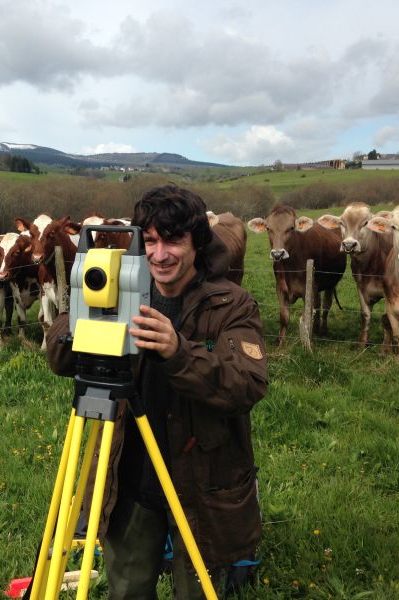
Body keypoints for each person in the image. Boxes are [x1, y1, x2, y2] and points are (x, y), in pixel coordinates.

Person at [46, 184, 268, 599]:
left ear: (197, 242)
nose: (160, 254)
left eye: (173, 240)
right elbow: (58, 359)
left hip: (203, 487)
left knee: (196, 591)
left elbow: (248, 383)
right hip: (131, 478)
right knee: (127, 589)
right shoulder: (122, 286)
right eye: (149, 241)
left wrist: (178, 353)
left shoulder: (232, 305)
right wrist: (85, 311)